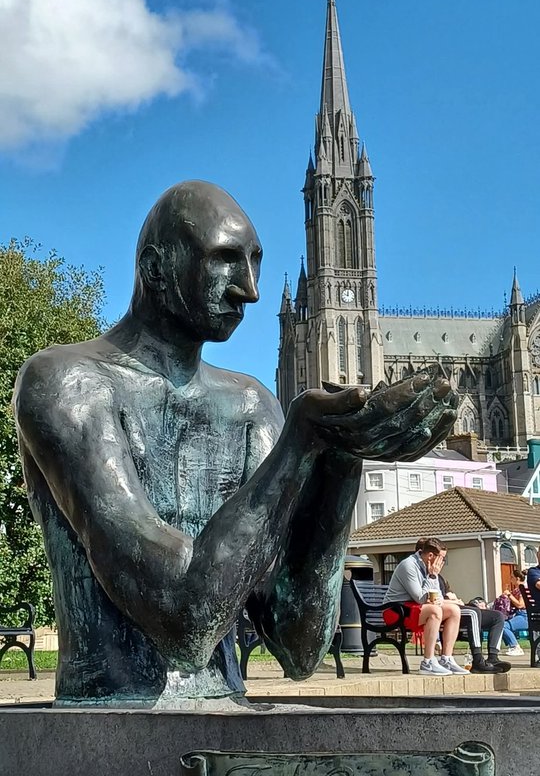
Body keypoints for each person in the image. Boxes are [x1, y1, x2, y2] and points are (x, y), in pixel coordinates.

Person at [13, 181, 458, 708]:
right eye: (225, 260)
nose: (249, 290)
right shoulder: (66, 383)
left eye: (255, 263)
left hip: (228, 718)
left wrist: (342, 455)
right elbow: (183, 624)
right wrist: (302, 441)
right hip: (110, 729)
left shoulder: (251, 405)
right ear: (156, 269)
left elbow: (299, 646)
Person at [383, 537, 467, 676]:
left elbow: (436, 597)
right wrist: (432, 577)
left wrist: (450, 601)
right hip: (395, 610)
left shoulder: (428, 567)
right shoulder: (408, 566)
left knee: (453, 610)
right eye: (441, 558)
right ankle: (427, 662)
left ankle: (446, 658)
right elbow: (421, 598)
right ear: (430, 556)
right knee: (435, 611)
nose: (442, 562)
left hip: (414, 608)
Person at [493, 570, 527, 655]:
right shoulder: (517, 590)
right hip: (518, 615)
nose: (510, 579)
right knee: (500, 624)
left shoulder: (523, 589)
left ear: (517, 578)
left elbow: (521, 605)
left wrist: (509, 595)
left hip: (524, 616)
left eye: (512, 577)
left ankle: (515, 646)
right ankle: (513, 646)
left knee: (503, 626)